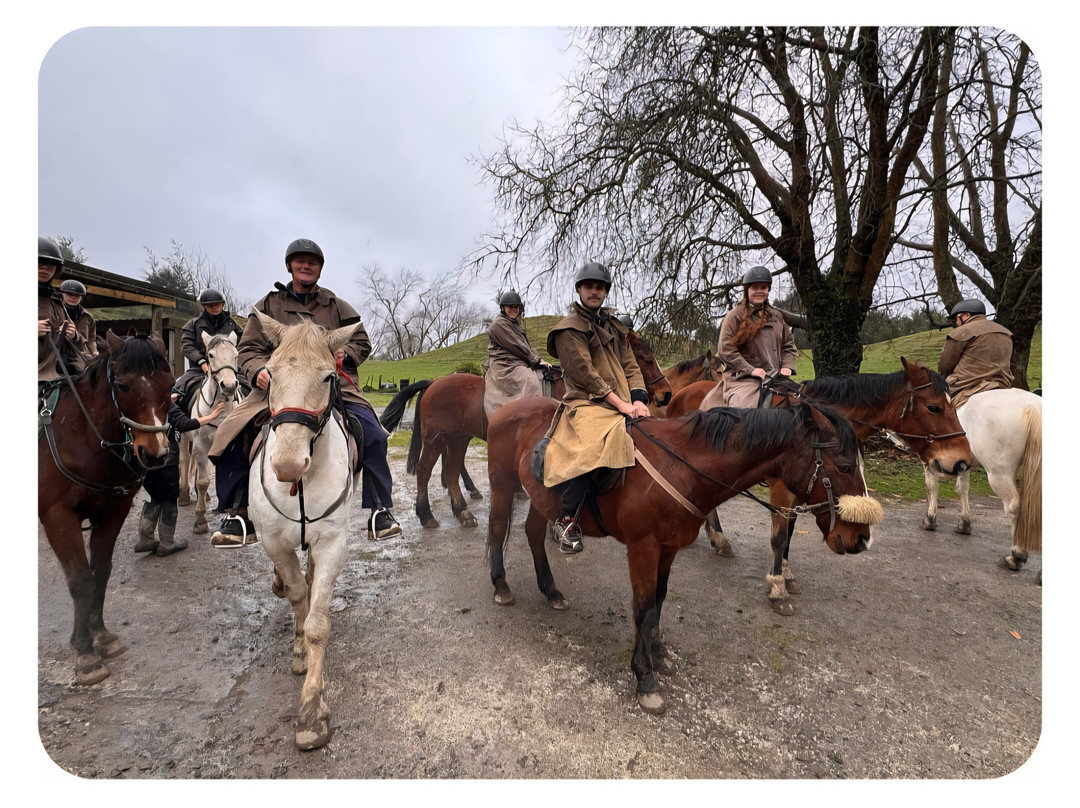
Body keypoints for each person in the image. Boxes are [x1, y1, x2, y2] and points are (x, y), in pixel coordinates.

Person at [207, 238, 401, 547]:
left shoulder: (336, 305)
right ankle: (238, 512)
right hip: (276, 388)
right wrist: (258, 370)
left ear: (320, 269)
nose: (306, 265)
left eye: (313, 262)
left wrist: (345, 355)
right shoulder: (268, 305)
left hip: (331, 385)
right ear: (290, 266)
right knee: (230, 433)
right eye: (300, 261)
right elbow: (247, 350)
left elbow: (361, 340)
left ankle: (380, 510)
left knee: (375, 434)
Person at [542, 261, 650, 554]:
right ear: (579, 289)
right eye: (589, 286)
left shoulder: (615, 326)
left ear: (605, 291)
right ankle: (566, 520)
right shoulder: (567, 329)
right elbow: (584, 374)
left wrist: (639, 399)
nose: (595, 291)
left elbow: (630, 364)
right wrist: (620, 403)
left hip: (624, 400)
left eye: (600, 287)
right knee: (591, 447)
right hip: (587, 401)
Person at [135, 396, 226, 557]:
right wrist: (210, 417)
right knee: (170, 500)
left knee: (153, 497)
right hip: (167, 461)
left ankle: (145, 538)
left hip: (148, 463)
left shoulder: (143, 402)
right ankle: (167, 542)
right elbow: (185, 424)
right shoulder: (166, 404)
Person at [716, 265, 798, 408]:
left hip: (776, 378)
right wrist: (750, 370)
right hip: (743, 380)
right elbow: (726, 350)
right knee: (747, 414)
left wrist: (787, 366)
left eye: (763, 287)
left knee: (804, 403)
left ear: (768, 290)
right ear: (747, 290)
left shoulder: (776, 316)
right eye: (755, 288)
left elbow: (788, 346)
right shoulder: (734, 316)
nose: (759, 291)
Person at [482, 290, 551, 420]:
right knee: (530, 380)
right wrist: (535, 360)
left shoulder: (514, 324)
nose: (513, 309)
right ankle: (531, 416)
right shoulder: (499, 324)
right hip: (505, 364)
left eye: (516, 307)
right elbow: (516, 345)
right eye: (510, 307)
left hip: (516, 361)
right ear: (503, 308)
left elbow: (525, 346)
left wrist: (538, 359)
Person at [173, 288, 244, 408]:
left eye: (217, 304)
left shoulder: (234, 325)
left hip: (230, 368)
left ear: (222, 304)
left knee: (251, 387)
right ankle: (178, 421)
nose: (214, 307)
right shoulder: (193, 325)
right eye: (210, 305)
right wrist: (201, 361)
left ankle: (254, 422)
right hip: (199, 369)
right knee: (178, 389)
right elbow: (187, 345)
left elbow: (244, 344)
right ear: (204, 306)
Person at [938, 298, 1014, 409]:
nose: (956, 322)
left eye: (957, 318)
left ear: (966, 315)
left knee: (936, 412)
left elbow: (945, 365)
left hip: (967, 385)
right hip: (1003, 384)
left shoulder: (961, 332)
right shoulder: (1005, 332)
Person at [38, 237, 70, 387]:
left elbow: (80, 341)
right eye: (39, 262)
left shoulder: (57, 302)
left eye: (51, 265)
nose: (45, 268)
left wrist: (73, 334)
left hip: (53, 376)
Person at [56, 279, 99, 373]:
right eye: (69, 294)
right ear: (62, 294)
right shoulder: (55, 311)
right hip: (56, 351)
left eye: (77, 295)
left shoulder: (88, 317)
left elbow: (92, 338)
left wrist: (94, 351)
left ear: (81, 297)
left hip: (80, 354)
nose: (73, 297)